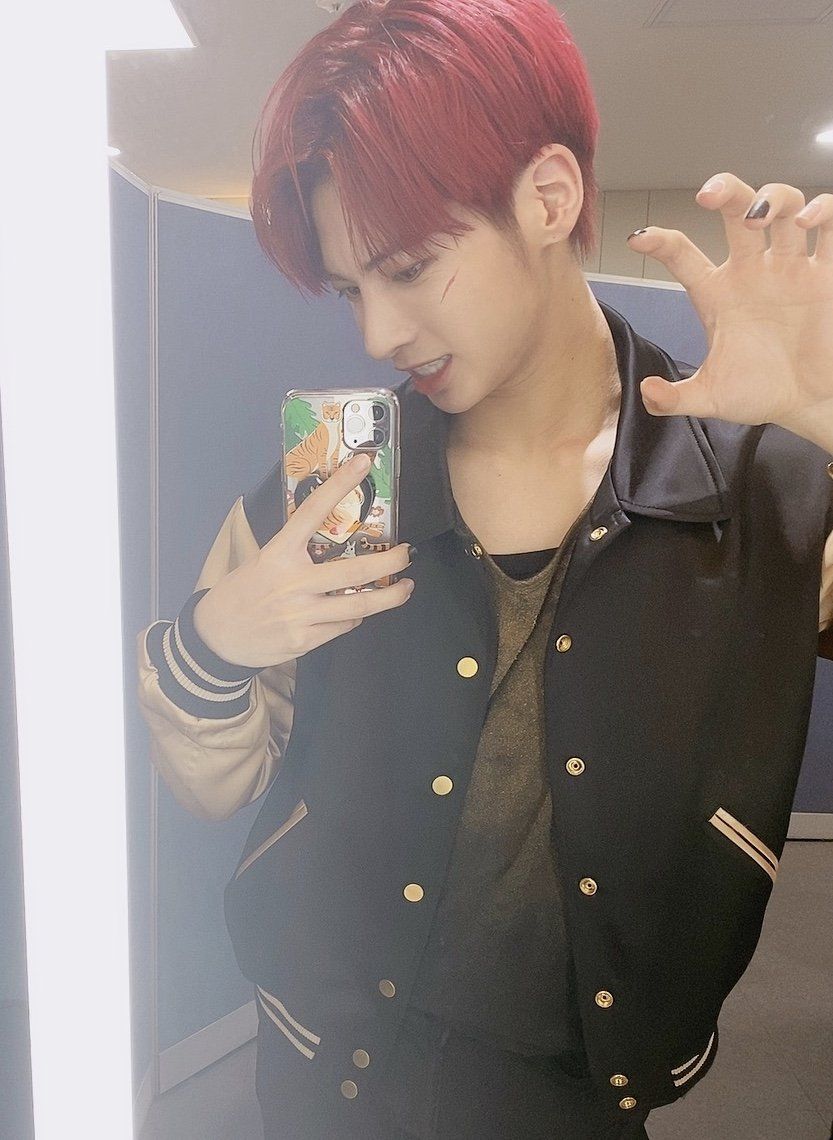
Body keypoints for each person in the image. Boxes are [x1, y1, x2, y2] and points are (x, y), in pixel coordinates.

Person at [136, 1, 833, 1136]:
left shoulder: (754, 483)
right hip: (329, 1064)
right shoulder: (341, 483)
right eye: (352, 288)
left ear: (548, 198)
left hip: (585, 1074)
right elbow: (212, 783)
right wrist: (213, 645)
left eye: (410, 268)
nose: (376, 334)